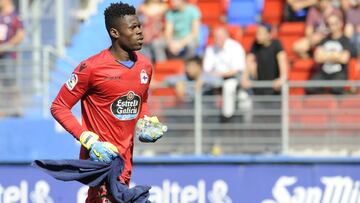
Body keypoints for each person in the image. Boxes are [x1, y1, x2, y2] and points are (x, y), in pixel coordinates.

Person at [50, 2, 166, 202]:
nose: (140, 32)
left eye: (139, 26)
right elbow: (58, 106)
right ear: (115, 33)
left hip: (126, 160)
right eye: (133, 28)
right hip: (102, 162)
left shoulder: (145, 66)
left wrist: (147, 119)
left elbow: (141, 100)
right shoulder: (91, 68)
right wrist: (87, 139)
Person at [203, 26, 246, 121]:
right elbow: (207, 69)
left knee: (228, 86)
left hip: (233, 79)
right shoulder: (210, 49)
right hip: (213, 80)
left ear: (226, 36)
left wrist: (220, 74)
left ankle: (227, 117)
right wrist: (217, 75)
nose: (217, 39)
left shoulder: (235, 47)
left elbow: (237, 70)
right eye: (216, 37)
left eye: (220, 36)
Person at [306, 15, 351, 95]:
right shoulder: (324, 40)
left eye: (334, 24)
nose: (331, 27)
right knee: (310, 88)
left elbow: (344, 59)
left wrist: (325, 55)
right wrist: (336, 55)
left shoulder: (345, 40)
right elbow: (317, 58)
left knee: (336, 89)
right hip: (323, 73)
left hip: (339, 73)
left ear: (340, 24)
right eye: (329, 24)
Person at [242, 23, 288, 95]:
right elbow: (249, 61)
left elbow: (282, 60)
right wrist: (244, 78)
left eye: (260, 33)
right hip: (260, 88)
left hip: (274, 88)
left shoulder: (276, 44)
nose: (257, 36)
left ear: (269, 35)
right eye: (257, 33)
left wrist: (282, 78)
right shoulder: (255, 45)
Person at [0, 0, 24, 117]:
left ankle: (16, 109)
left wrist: (7, 46)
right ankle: (2, 110)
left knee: (10, 82)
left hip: (8, 55)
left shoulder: (15, 16)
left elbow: (20, 35)